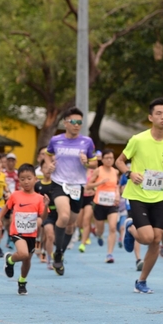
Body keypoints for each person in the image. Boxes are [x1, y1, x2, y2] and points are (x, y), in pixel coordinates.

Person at [115, 97, 163, 294]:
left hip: (158, 197)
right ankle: (129, 227)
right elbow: (120, 161)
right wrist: (129, 173)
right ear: (150, 117)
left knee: (156, 239)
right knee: (146, 237)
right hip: (137, 195)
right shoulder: (138, 140)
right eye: (159, 113)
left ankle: (142, 281)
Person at [45, 107, 97, 276]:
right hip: (59, 183)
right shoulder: (56, 140)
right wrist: (49, 165)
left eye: (79, 122)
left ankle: (60, 253)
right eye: (73, 122)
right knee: (64, 216)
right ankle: (57, 254)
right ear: (65, 122)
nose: (76, 125)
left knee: (71, 226)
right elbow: (47, 154)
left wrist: (86, 162)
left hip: (77, 186)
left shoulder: (87, 142)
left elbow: (95, 163)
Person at [0, 164, 47, 295]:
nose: (26, 181)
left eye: (29, 178)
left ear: (35, 179)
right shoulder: (15, 195)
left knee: (27, 260)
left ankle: (22, 281)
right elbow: (6, 208)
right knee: (23, 253)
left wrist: (46, 205)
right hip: (17, 232)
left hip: (31, 233)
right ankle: (10, 260)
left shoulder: (39, 198)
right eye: (22, 179)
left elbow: (43, 217)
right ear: (19, 180)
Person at [86, 149, 120, 263]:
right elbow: (88, 186)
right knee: (100, 229)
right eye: (107, 158)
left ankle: (109, 254)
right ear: (103, 159)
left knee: (112, 227)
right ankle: (98, 234)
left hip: (111, 204)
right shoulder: (98, 171)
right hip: (99, 203)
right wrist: (100, 183)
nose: (109, 160)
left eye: (111, 158)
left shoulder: (115, 171)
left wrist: (117, 196)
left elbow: (116, 186)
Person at [35, 159, 56, 269]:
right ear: (41, 170)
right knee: (49, 234)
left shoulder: (57, 184)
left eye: (50, 167)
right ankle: (49, 258)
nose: (47, 170)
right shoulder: (37, 186)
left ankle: (49, 252)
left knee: (53, 238)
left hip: (57, 213)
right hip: (44, 214)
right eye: (45, 167)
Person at [77, 156, 98, 252]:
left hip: (90, 197)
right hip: (79, 196)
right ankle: (82, 232)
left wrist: (94, 189)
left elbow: (98, 183)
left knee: (86, 219)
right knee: (79, 222)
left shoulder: (93, 171)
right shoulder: (76, 169)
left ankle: (83, 243)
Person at [3, 153, 19, 249]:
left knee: (12, 219)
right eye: (9, 160)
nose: (10, 162)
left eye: (12, 160)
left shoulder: (18, 173)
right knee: (6, 222)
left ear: (15, 162)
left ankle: (12, 238)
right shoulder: (2, 173)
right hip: (4, 200)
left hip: (15, 200)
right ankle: (9, 235)